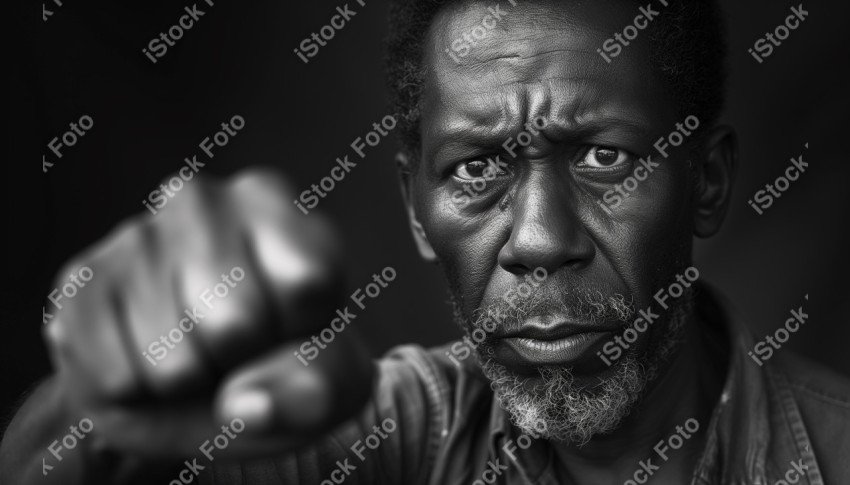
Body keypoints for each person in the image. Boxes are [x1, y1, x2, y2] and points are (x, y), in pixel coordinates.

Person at [3, 0, 848, 483]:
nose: (540, 241)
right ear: (415, 209)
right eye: (477, 167)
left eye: (603, 157)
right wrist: (106, 406)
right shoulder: (398, 433)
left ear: (707, 180)